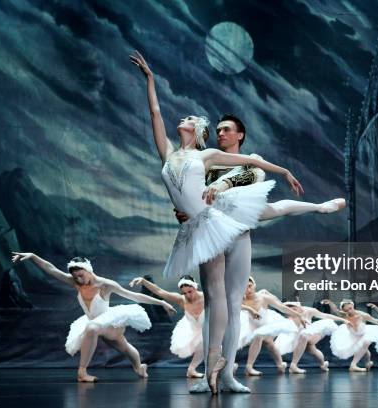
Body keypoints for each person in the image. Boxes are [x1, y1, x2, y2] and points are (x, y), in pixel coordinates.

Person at [130, 50, 305, 394]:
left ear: (199, 130)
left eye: (191, 118)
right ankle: (214, 369)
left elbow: (250, 162)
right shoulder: (168, 152)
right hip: (192, 228)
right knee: (212, 296)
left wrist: (283, 170)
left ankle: (221, 366)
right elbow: (155, 112)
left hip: (217, 224)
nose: (185, 118)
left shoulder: (206, 155)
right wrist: (150, 80)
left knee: (224, 298)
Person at [11, 253, 176, 382]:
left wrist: (161, 303)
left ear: (88, 270)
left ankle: (82, 372)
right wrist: (32, 256)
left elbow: (134, 296)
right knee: (124, 347)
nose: (78, 279)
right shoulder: (76, 283)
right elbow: (52, 269)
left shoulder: (105, 285)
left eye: (81, 275)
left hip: (110, 323)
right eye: (75, 276)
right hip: (96, 322)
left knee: (93, 329)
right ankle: (139, 368)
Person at [129, 275, 205, 378]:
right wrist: (143, 281)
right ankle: (193, 369)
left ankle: (222, 365)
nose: (188, 295)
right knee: (204, 344)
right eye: (184, 293)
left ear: (195, 287)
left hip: (209, 327)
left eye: (190, 292)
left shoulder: (207, 297)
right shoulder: (181, 299)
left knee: (210, 344)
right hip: (192, 329)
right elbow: (159, 291)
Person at [238, 278, 308, 376]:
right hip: (248, 326)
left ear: (254, 285)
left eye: (250, 286)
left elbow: (282, 308)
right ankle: (246, 367)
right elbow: (234, 305)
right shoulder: (241, 298)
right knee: (261, 340)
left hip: (264, 325)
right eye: (244, 287)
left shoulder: (263, 298)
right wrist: (250, 309)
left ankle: (280, 364)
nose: (248, 290)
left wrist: (299, 315)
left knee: (266, 341)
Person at [274, 301, 349, 373]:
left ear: (299, 307)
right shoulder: (289, 313)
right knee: (311, 349)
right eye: (289, 308)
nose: (291, 311)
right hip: (297, 333)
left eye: (294, 308)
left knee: (304, 336)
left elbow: (325, 316)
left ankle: (293, 366)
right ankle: (323, 364)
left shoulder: (309, 310)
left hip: (310, 331)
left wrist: (342, 319)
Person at [322, 299, 378, 372]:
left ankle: (353, 365)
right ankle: (368, 362)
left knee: (366, 342)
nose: (349, 311)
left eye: (350, 308)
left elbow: (376, 321)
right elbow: (335, 310)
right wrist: (330, 303)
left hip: (363, 333)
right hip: (353, 335)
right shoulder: (344, 315)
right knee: (364, 349)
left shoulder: (362, 315)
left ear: (353, 306)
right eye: (346, 310)